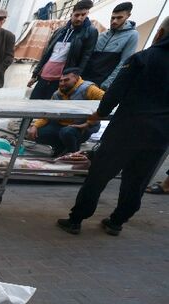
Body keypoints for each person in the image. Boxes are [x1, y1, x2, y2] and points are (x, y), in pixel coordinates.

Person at [56, 17, 169, 236]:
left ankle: (76, 219)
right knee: (137, 181)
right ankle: (117, 221)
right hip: (159, 137)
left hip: (126, 131)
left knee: (99, 175)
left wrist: (98, 115)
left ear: (159, 35)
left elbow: (114, 94)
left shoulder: (142, 59)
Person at [26, 68, 104, 156]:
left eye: (66, 80)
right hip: (61, 125)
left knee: (67, 132)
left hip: (82, 127)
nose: (62, 83)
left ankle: (73, 155)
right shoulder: (57, 94)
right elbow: (48, 114)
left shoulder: (89, 89)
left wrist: (89, 123)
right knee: (38, 133)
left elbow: (106, 103)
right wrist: (35, 126)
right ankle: (61, 149)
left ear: (76, 78)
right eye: (61, 81)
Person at [28, 1, 97, 100]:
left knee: (49, 110)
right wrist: (35, 74)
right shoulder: (60, 31)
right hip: (44, 76)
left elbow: (86, 57)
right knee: (31, 105)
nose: (79, 18)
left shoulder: (90, 32)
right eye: (77, 15)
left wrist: (76, 77)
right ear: (71, 14)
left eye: (83, 15)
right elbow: (47, 54)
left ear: (87, 14)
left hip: (61, 80)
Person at [82, 2, 139, 89]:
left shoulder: (132, 35)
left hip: (101, 85)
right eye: (113, 18)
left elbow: (124, 63)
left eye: (119, 18)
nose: (114, 21)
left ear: (128, 16)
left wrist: (106, 85)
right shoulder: (103, 34)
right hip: (84, 81)